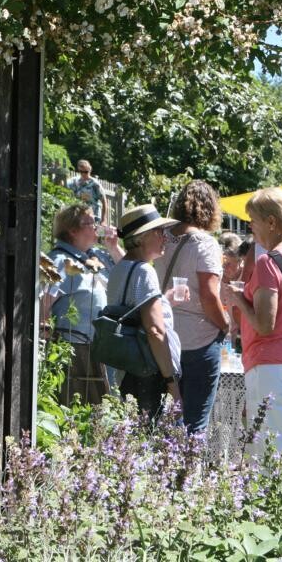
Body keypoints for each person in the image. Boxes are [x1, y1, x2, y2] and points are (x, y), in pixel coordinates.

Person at [223, 187, 282, 475]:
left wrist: (238, 299)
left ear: (271, 222)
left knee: (267, 452)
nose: (251, 227)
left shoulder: (268, 262)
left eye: (253, 220)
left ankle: (269, 504)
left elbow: (265, 325)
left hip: (272, 364)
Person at [154, 180, 228, 434]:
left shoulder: (161, 237)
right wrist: (224, 325)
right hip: (198, 338)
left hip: (164, 335)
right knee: (195, 423)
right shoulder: (205, 244)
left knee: (167, 419)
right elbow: (208, 295)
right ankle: (190, 460)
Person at [41, 203, 124, 405]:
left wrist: (113, 247)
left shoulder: (95, 256)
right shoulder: (59, 261)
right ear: (72, 230)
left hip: (99, 350)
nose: (97, 226)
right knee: (80, 408)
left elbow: (129, 273)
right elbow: (43, 306)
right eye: (90, 222)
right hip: (76, 354)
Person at [106, 204, 183, 419]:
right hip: (149, 372)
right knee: (154, 434)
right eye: (159, 231)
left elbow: (134, 313)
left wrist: (164, 301)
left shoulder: (120, 268)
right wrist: (171, 383)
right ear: (141, 238)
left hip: (127, 369)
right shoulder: (144, 271)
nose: (165, 237)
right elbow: (155, 331)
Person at [68, 159, 109, 226]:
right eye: (81, 172)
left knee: (95, 231)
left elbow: (104, 201)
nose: (83, 174)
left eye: (86, 172)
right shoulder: (75, 181)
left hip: (94, 217)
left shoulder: (95, 184)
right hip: (80, 217)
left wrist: (104, 220)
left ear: (90, 170)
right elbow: (64, 184)